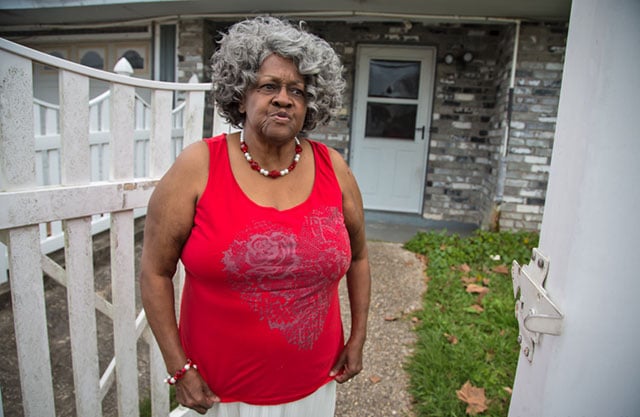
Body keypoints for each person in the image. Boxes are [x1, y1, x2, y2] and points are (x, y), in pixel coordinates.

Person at [140, 16, 371, 416]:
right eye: (269, 86)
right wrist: (178, 368)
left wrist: (359, 337)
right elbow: (155, 272)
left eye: (297, 91)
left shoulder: (334, 168)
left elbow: (361, 256)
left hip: (312, 387)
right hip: (217, 393)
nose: (284, 98)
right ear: (241, 93)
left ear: (310, 103)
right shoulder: (199, 165)